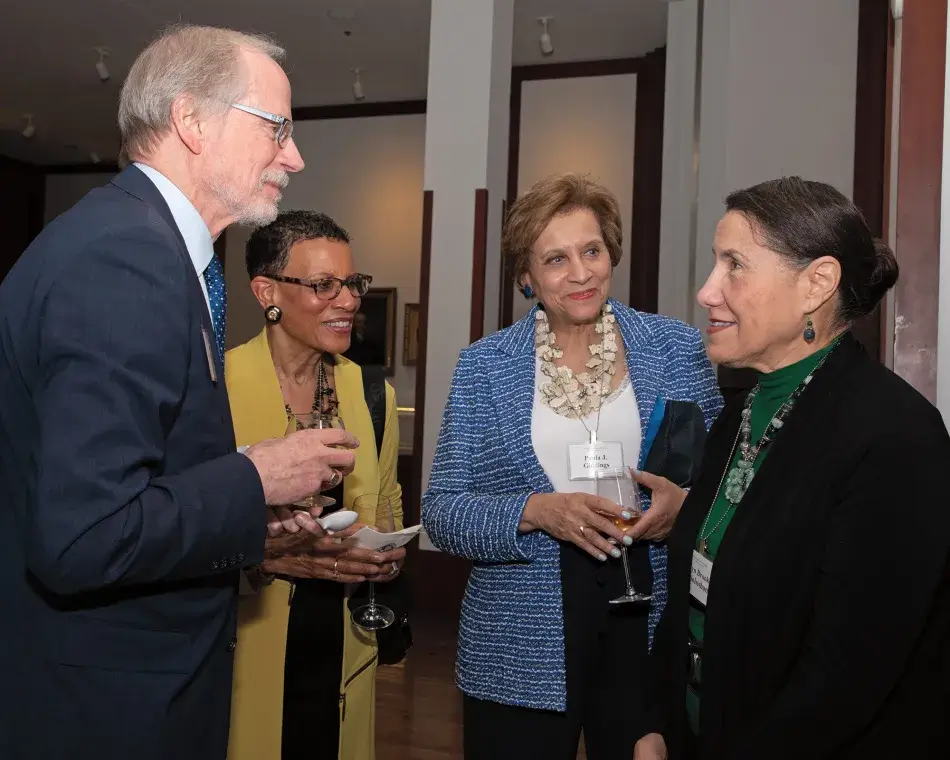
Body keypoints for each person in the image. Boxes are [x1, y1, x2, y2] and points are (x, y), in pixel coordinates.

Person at [0, 25, 357, 760]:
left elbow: (132, 487)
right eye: (277, 128)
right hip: (107, 712)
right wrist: (254, 478)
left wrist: (244, 513)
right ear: (191, 121)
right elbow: (81, 538)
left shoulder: (145, 247)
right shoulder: (125, 260)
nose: (294, 156)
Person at [633, 177, 950, 760]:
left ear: (817, 284)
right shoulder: (741, 414)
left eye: (735, 265)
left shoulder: (896, 439)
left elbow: (846, 678)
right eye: (714, 263)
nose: (706, 292)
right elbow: (688, 603)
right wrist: (658, 722)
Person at [422, 172, 723, 760]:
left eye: (591, 250)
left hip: (650, 614)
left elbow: (718, 481)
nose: (580, 272)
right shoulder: (485, 368)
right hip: (521, 630)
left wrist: (682, 510)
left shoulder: (676, 348)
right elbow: (443, 511)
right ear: (525, 276)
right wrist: (537, 511)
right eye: (555, 259)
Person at [225, 210, 406, 760]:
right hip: (244, 640)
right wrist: (273, 556)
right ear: (266, 291)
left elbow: (388, 505)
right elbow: (180, 527)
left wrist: (387, 554)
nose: (348, 300)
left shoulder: (374, 395)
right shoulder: (217, 390)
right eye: (324, 285)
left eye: (352, 283)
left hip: (344, 636)